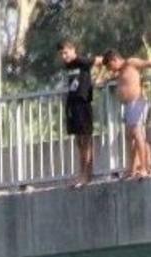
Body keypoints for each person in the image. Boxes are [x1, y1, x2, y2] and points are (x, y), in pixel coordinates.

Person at [101, 50, 151, 179]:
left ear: (114, 60)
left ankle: (144, 167)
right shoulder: (120, 72)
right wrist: (108, 79)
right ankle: (132, 168)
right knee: (129, 137)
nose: (111, 70)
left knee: (138, 134)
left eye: (110, 66)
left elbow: (149, 64)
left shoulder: (131, 63)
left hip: (137, 103)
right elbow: (117, 78)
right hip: (128, 106)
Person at [58, 41, 102, 188]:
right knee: (78, 141)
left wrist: (98, 78)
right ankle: (81, 173)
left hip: (83, 103)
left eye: (66, 53)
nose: (64, 56)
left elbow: (102, 60)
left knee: (85, 139)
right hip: (72, 104)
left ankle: (86, 174)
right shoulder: (68, 66)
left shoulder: (81, 61)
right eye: (61, 54)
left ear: (72, 50)